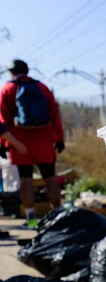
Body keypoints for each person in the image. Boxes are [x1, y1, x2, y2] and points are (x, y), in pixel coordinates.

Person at [0, 59, 65, 226]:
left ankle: (31, 220)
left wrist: (3, 143)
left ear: (12, 72)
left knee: (25, 179)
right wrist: (59, 138)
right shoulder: (42, 88)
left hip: (19, 142)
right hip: (44, 140)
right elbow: (54, 114)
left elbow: (3, 120)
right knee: (50, 177)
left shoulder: (7, 89)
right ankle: (58, 216)